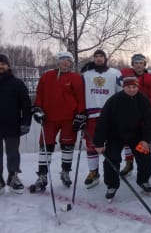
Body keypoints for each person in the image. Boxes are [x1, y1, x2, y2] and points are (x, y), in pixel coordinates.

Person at [30, 51, 85, 192]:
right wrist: (37, 108)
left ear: (71, 62)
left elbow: (81, 97)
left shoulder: (76, 77)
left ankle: (65, 172)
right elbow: (40, 93)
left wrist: (81, 114)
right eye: (63, 59)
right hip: (49, 118)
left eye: (68, 60)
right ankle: (42, 176)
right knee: (45, 146)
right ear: (58, 62)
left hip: (69, 119)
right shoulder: (47, 76)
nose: (65, 62)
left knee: (68, 146)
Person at [94, 77, 151, 200]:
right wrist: (99, 142)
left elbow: (149, 121)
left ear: (137, 87)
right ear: (124, 87)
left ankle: (143, 180)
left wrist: (146, 140)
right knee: (112, 158)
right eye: (129, 87)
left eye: (134, 87)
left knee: (145, 156)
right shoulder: (114, 100)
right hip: (116, 135)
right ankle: (112, 185)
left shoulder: (143, 100)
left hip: (137, 136)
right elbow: (103, 122)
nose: (132, 89)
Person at [81, 49, 121, 188]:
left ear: (105, 58)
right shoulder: (86, 74)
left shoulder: (115, 73)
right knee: (92, 145)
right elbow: (80, 93)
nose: (98, 59)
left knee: (110, 146)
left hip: (110, 115)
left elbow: (120, 93)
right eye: (96, 56)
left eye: (101, 56)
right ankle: (93, 172)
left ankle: (110, 173)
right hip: (91, 115)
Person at [120, 54, 151, 176]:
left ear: (144, 64)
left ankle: (141, 166)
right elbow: (110, 74)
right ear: (133, 64)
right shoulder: (125, 74)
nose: (138, 65)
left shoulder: (150, 78)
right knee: (127, 139)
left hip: (143, 114)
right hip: (128, 113)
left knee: (142, 140)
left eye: (141, 63)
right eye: (136, 63)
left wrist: (149, 112)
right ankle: (129, 163)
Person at [0, 54, 31, 194]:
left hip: (12, 125)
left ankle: (13, 177)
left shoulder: (17, 84)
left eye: (3, 63)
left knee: (13, 153)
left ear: (8, 66)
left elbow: (26, 105)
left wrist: (26, 122)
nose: (1, 66)